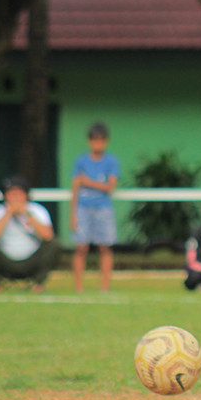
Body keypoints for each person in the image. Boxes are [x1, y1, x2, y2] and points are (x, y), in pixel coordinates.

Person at [0, 175, 60, 292]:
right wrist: (8, 213)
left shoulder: (38, 210)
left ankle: (38, 284)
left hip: (31, 259)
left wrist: (28, 215)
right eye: (12, 194)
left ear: (26, 195)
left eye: (19, 193)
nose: (16, 198)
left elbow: (48, 237)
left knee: (54, 244)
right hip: (5, 260)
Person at [70, 122, 120, 292]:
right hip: (82, 208)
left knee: (105, 247)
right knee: (81, 247)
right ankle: (78, 287)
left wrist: (88, 182)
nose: (97, 143)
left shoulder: (111, 162)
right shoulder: (81, 161)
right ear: (89, 141)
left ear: (106, 141)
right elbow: (75, 188)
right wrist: (73, 214)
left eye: (101, 140)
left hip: (103, 209)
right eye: (94, 140)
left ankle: (104, 288)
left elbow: (110, 186)